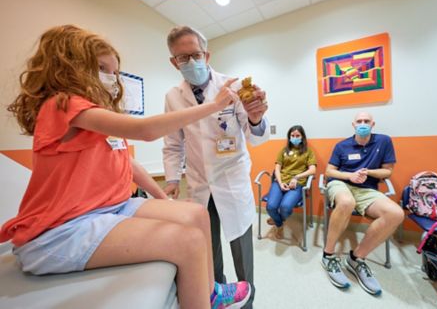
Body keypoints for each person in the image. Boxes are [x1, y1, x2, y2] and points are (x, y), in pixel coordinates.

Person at [0, 25, 252, 309]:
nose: (112, 78)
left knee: (195, 214)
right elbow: (145, 131)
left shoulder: (96, 113)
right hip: (62, 229)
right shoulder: (63, 106)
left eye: (114, 71)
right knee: (189, 241)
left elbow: (127, 162)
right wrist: (213, 105)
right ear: (70, 67)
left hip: (109, 206)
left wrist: (164, 201)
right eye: (102, 68)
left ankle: (211, 295)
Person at [163, 26, 270, 308]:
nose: (190, 62)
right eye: (182, 58)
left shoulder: (232, 87)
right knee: (209, 253)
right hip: (199, 185)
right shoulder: (173, 97)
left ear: (207, 55)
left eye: (195, 55)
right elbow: (174, 143)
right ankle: (219, 299)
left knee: (242, 252)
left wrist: (257, 119)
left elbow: (254, 137)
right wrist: (172, 178)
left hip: (232, 182)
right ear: (174, 62)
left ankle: (247, 303)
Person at [322, 112, 404, 296]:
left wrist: (368, 172)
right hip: (341, 183)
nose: (363, 124)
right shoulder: (342, 145)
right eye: (359, 121)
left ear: (373, 123)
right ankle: (328, 256)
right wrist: (350, 175)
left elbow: (387, 172)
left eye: (366, 121)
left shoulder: (383, 141)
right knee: (346, 202)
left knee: (396, 214)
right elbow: (329, 171)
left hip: (367, 188)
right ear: (353, 124)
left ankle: (356, 258)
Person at [266, 125, 316, 239]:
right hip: (280, 181)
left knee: (285, 207)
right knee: (271, 207)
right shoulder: (284, 151)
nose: (294, 137)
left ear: (302, 137)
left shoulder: (308, 151)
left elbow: (313, 170)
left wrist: (296, 177)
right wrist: (279, 182)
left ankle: (278, 220)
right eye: (292, 136)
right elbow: (277, 169)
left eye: (297, 135)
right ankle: (279, 225)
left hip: (297, 184)